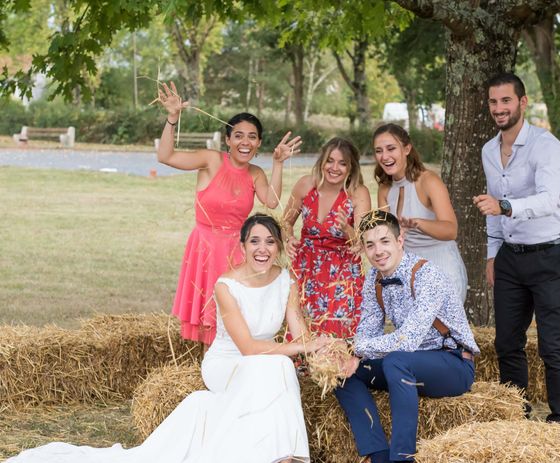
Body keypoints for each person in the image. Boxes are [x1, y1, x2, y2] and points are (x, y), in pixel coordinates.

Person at [2, 214, 331, 463]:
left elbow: (299, 333)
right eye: (254, 241)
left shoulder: (287, 280)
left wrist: (322, 349)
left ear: (278, 247)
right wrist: (297, 350)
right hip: (228, 363)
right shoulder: (226, 286)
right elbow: (246, 347)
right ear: (242, 245)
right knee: (276, 365)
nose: (263, 249)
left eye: (270, 242)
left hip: (264, 362)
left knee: (277, 366)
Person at [330, 210, 479, 463]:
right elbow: (368, 328)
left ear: (401, 240)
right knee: (340, 372)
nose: (378, 251)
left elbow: (407, 339)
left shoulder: (427, 275)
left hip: (453, 364)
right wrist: (351, 356)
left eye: (385, 241)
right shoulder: (373, 278)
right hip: (410, 365)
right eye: (370, 244)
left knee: (395, 359)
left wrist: (357, 349)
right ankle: (378, 458)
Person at [156, 81, 302, 347]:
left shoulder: (255, 173)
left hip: (236, 250)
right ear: (228, 140)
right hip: (204, 247)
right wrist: (172, 117)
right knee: (205, 311)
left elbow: (271, 201)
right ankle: (210, 361)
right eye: (239, 135)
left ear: (258, 143)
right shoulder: (211, 160)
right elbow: (165, 156)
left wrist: (278, 163)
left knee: (233, 315)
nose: (245, 142)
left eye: (252, 137)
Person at [473, 72, 560, 424]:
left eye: (506, 100)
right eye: (493, 101)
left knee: (553, 346)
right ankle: (515, 417)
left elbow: (549, 200)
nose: (499, 108)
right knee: (507, 343)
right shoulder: (489, 150)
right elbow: (491, 207)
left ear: (522, 102)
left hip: (552, 256)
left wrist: (505, 206)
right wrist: (492, 254)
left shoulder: (546, 146)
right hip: (510, 260)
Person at [283, 137, 371, 337]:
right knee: (301, 327)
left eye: (342, 163)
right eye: (330, 160)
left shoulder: (358, 193)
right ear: (322, 161)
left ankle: (334, 366)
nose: (335, 167)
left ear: (351, 168)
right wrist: (288, 238)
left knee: (336, 333)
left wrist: (346, 229)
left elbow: (362, 242)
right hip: (306, 267)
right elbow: (286, 222)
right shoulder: (305, 185)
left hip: (341, 273)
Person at [373, 124, 468, 302]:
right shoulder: (384, 189)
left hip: (440, 267)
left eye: (391, 148)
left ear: (407, 148)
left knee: (436, 329)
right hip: (406, 272)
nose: (384, 156)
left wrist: (418, 223)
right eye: (379, 151)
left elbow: (451, 230)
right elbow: (386, 236)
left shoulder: (428, 181)